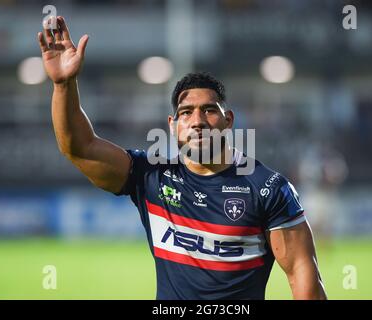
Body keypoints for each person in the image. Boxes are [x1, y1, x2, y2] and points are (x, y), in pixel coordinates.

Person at [37, 16, 327, 300]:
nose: (197, 121)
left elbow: (303, 278)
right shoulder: (150, 175)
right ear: (173, 125)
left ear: (228, 120)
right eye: (186, 113)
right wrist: (64, 85)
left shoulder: (268, 188)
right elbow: (79, 147)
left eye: (209, 110)